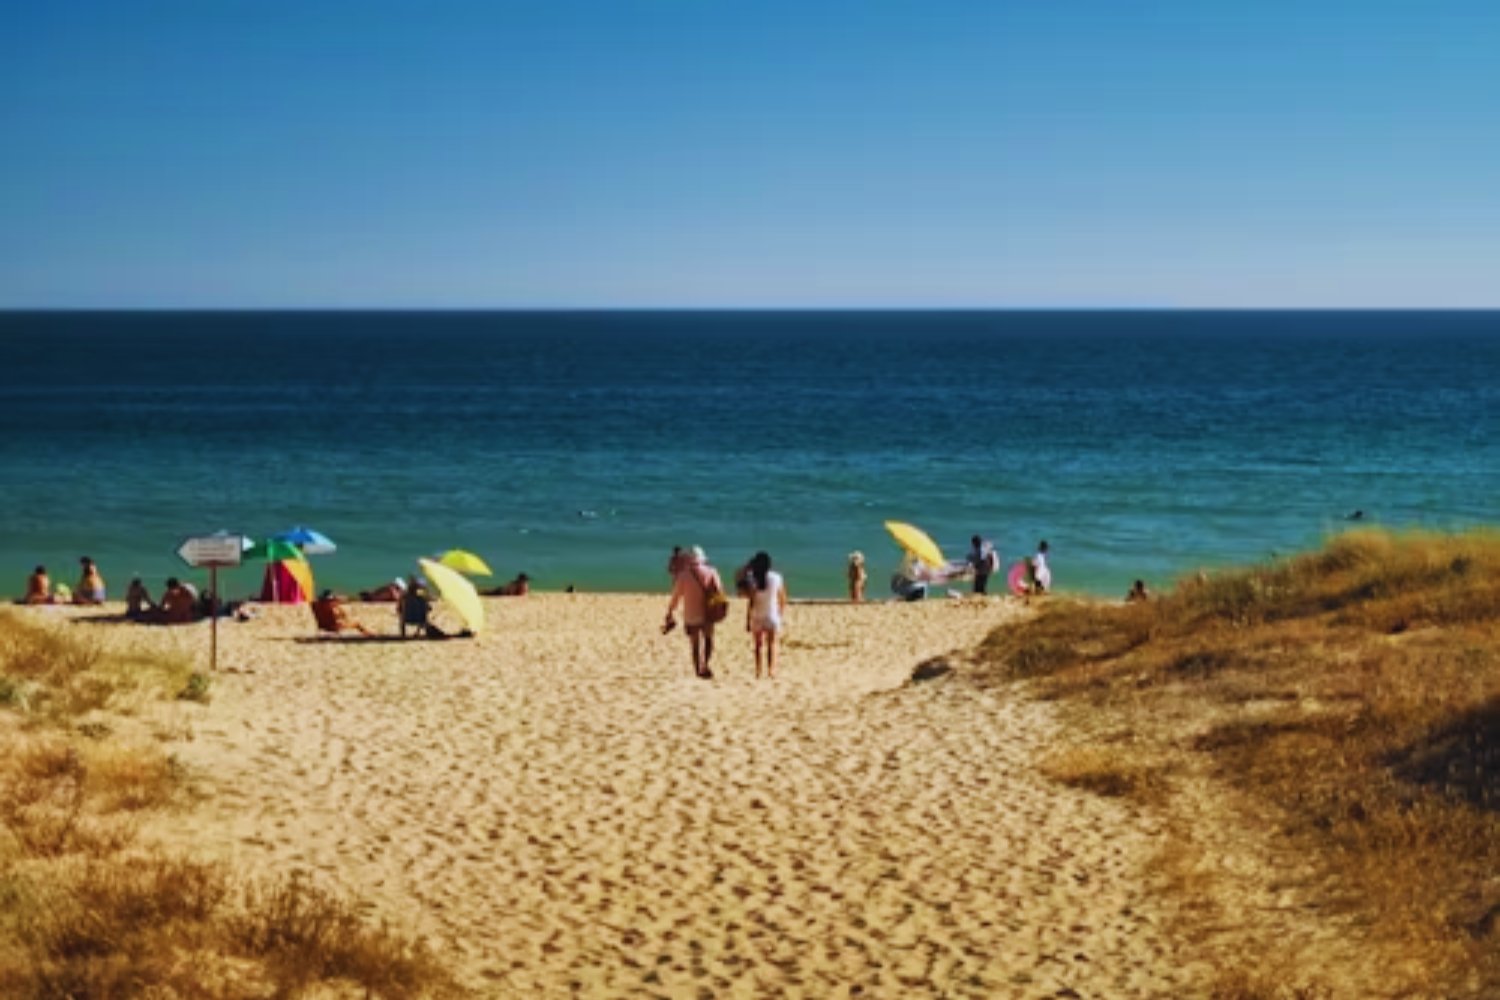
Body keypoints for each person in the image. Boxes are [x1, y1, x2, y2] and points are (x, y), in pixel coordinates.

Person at [664, 546, 724, 680]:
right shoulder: (712, 572)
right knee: (708, 639)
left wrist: (670, 610)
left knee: (694, 644)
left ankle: (697, 669)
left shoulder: (683, 575)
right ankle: (706, 664)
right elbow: (719, 590)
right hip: (708, 612)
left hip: (691, 614)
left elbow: (676, 596)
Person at [746, 552, 788, 679]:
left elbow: (751, 601)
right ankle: (771, 670)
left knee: (758, 646)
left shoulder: (752, 579)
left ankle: (758, 671)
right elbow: (782, 597)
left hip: (757, 615)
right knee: (772, 644)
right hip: (772, 614)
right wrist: (780, 613)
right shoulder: (776, 577)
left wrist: (747, 619)